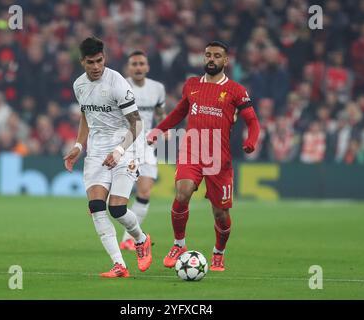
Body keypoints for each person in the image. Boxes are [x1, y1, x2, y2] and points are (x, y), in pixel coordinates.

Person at [147, 41, 260, 271]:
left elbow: (252, 120)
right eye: (207, 54)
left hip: (220, 156)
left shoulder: (236, 90)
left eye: (217, 56)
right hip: (192, 149)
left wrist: (251, 141)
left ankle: (219, 252)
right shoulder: (191, 85)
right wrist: (159, 130)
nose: (211, 59)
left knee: (220, 213)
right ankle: (179, 244)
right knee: (183, 191)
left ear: (225, 61)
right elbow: (180, 111)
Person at [63, 37, 152, 278]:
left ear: (105, 58)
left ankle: (141, 239)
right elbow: (86, 116)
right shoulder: (79, 85)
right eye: (90, 62)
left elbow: (137, 123)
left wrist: (120, 150)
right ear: (82, 61)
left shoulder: (118, 84)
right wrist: (78, 146)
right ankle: (119, 265)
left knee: (117, 209)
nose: (95, 66)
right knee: (95, 206)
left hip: (126, 145)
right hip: (96, 150)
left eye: (99, 61)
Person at [119, 50, 167, 251]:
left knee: (145, 192)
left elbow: (160, 114)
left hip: (146, 146)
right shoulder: (121, 86)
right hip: (124, 142)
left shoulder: (158, 88)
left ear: (147, 67)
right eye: (134, 64)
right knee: (117, 197)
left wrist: (163, 129)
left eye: (141, 64)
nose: (138, 67)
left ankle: (128, 239)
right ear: (129, 68)